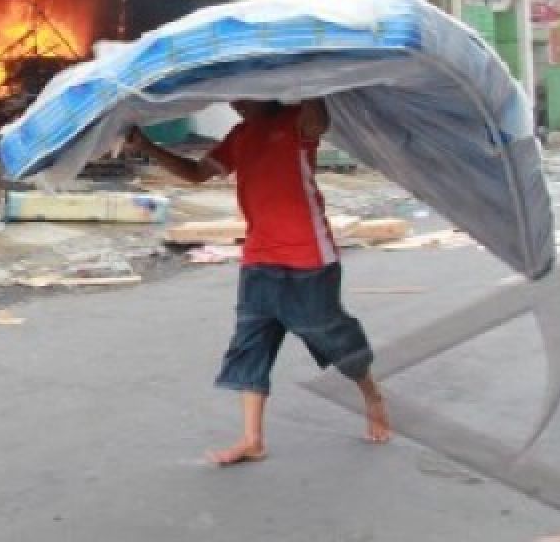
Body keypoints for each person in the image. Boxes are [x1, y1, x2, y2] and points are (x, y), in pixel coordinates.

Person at [125, 99, 391, 465]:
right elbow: (198, 172)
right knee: (251, 341)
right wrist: (148, 147)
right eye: (233, 97)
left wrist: (309, 74)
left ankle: (372, 394)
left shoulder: (298, 120)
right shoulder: (241, 135)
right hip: (259, 256)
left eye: (244, 93)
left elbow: (319, 119)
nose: (237, 103)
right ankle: (252, 439)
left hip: (308, 255)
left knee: (330, 332)